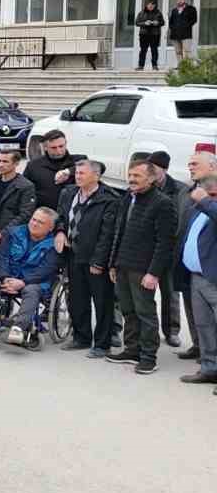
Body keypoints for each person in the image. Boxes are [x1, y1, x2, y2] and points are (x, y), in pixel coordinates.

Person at [107, 159, 178, 374]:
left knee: (145, 312)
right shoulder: (128, 197)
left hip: (144, 269)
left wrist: (153, 273)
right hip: (123, 266)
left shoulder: (162, 203)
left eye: (137, 176)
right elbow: (119, 233)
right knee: (128, 311)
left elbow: (165, 242)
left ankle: (149, 356)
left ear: (152, 178)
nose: (132, 180)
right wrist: (113, 263)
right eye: (130, 175)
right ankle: (132, 350)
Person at [54, 159, 120, 357]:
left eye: (82, 173)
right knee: (77, 299)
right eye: (77, 173)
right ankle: (81, 337)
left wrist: (99, 262)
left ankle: (102, 344)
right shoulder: (68, 193)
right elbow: (61, 217)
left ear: (96, 176)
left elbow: (108, 234)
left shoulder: (110, 199)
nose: (78, 176)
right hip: (73, 255)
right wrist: (59, 231)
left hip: (95, 259)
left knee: (102, 302)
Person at [0, 208, 60, 347]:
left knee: (31, 290)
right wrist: (5, 278)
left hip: (34, 282)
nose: (34, 224)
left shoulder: (53, 243)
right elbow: (1, 258)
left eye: (40, 222)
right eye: (33, 219)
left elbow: (46, 269)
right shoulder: (14, 233)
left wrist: (23, 282)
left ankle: (19, 328)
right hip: (8, 278)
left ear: (50, 228)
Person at [175, 174, 217, 388]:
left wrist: (206, 201)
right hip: (197, 277)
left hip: (214, 279)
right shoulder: (199, 209)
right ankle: (210, 368)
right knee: (204, 326)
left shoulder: (209, 206)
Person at [146, 150, 190, 349]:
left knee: (170, 293)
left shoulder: (179, 190)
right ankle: (145, 330)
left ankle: (171, 331)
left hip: (170, 249)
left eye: (153, 168)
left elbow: (180, 222)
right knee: (143, 291)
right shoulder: (147, 186)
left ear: (163, 169)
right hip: (147, 248)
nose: (150, 172)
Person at [0, 150, 37, 284]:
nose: (1, 165)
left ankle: (1, 304)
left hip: (10, 241)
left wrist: (2, 234)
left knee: (4, 279)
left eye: (5, 161)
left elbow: (24, 215)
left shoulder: (26, 186)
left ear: (16, 163)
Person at [24, 130, 82, 211]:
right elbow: (24, 190)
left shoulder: (79, 160)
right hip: (43, 213)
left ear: (66, 144)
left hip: (71, 212)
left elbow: (99, 167)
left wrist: (69, 171)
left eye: (61, 146)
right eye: (53, 148)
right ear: (45, 147)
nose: (58, 151)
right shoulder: (33, 166)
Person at [135, 0, 165, 71]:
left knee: (154, 50)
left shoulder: (158, 13)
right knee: (143, 50)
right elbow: (137, 23)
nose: (150, 6)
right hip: (144, 34)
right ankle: (140, 66)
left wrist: (157, 23)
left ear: (154, 6)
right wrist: (145, 23)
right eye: (149, 5)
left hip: (155, 34)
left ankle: (154, 66)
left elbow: (162, 22)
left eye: (152, 5)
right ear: (146, 5)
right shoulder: (141, 13)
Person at [168, 0, 197, 66]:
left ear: (184, 0)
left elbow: (194, 20)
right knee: (178, 51)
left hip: (186, 34)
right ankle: (180, 65)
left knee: (187, 51)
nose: (179, 1)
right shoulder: (174, 10)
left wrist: (186, 26)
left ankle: (188, 66)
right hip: (175, 34)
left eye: (181, 0)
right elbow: (171, 22)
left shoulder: (191, 8)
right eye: (178, 0)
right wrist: (172, 28)